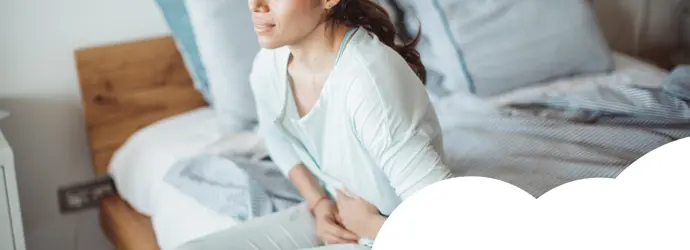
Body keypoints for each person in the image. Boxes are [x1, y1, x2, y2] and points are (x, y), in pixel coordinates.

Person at [176, 0, 453, 249]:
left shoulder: (369, 81)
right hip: (344, 217)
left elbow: (446, 226)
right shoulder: (271, 63)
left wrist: (369, 225)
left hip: (395, 233)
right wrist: (318, 202)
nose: (255, 5)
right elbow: (278, 140)